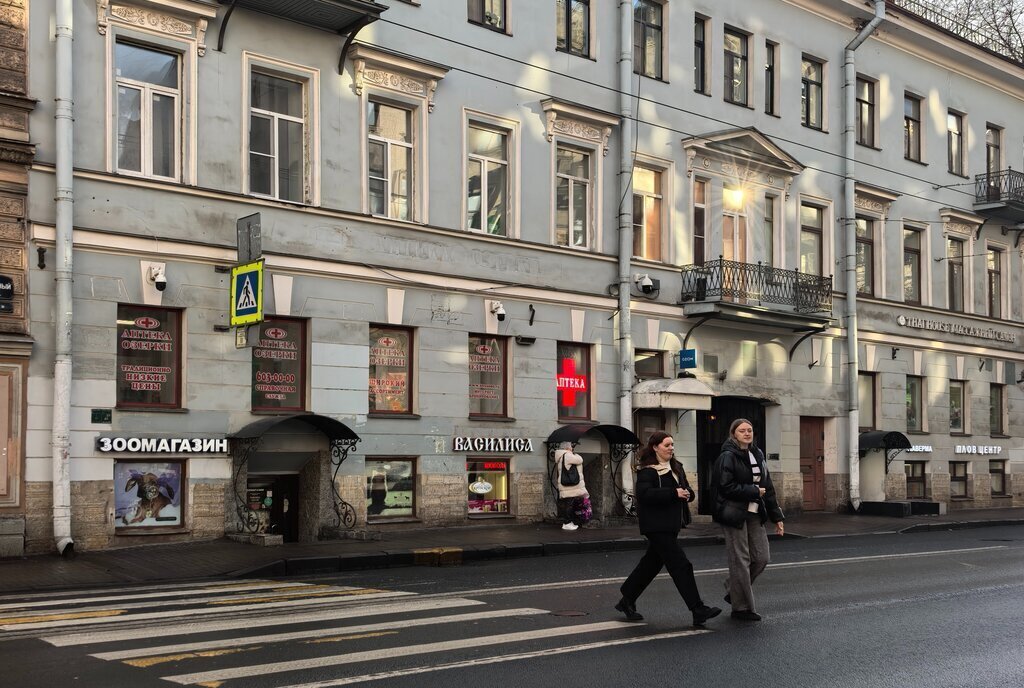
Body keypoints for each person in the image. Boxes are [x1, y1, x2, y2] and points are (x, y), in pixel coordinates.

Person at [616, 431, 722, 627]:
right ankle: (697, 609)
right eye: (667, 445)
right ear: (655, 447)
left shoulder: (676, 467)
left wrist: (688, 494)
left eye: (672, 445)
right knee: (681, 564)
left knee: (651, 565)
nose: (671, 448)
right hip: (656, 525)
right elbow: (645, 494)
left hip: (672, 524)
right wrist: (673, 493)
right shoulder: (648, 470)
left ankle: (626, 599)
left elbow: (688, 491)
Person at [712, 418, 785, 622]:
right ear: (733, 434)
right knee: (740, 561)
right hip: (733, 512)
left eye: (750, 430)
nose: (747, 433)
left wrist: (776, 516)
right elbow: (724, 487)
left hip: (754, 512)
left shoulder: (758, 454)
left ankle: (734, 588)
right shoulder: (727, 456)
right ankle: (742, 608)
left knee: (762, 557)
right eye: (742, 430)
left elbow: (767, 487)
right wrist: (752, 491)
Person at [554, 444, 588, 531]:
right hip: (570, 486)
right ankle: (567, 523)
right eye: (571, 447)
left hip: (567, 486)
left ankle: (568, 522)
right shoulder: (568, 455)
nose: (572, 448)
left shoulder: (562, 456)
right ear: (568, 448)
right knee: (569, 504)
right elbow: (580, 460)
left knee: (568, 504)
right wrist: (575, 454)